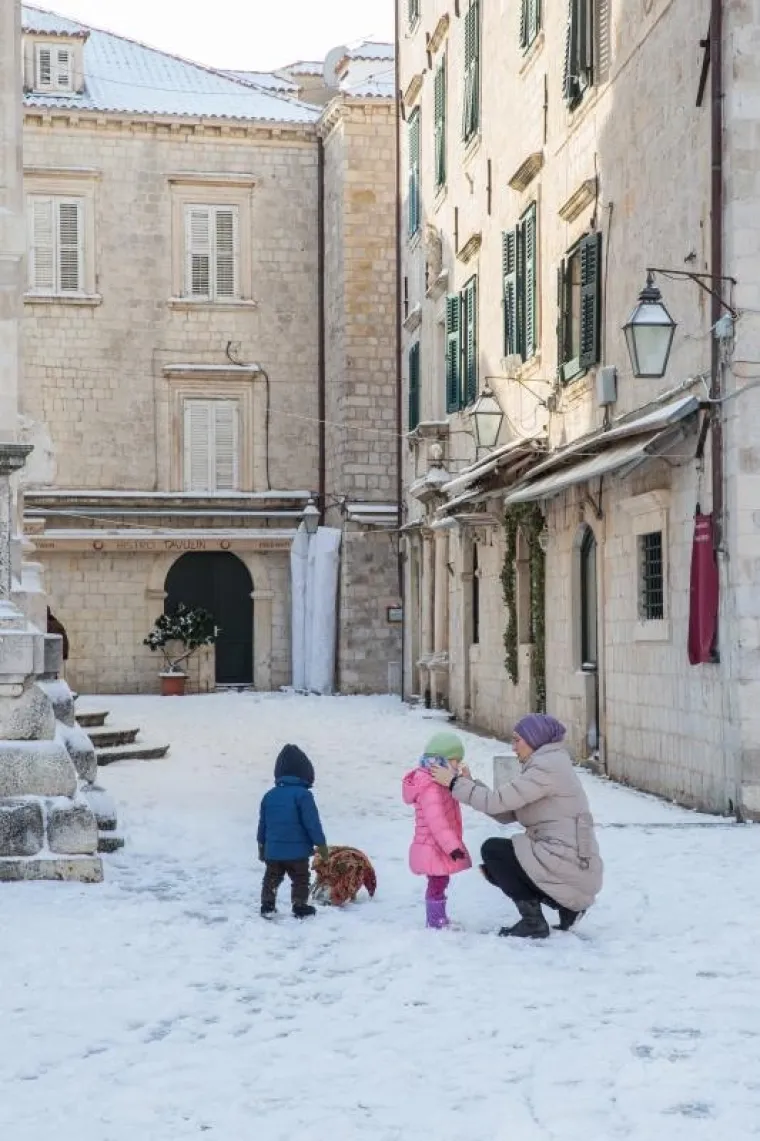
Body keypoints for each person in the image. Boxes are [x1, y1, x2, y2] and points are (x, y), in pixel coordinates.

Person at [429, 715, 603, 940]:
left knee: (495, 852)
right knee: (498, 863)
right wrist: (469, 784)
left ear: (533, 740)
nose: (513, 747)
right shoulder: (549, 764)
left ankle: (533, 922)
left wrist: (453, 783)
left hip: (569, 866)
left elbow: (495, 802)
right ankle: (568, 909)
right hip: (573, 867)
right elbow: (507, 812)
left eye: (517, 740)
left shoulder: (545, 769)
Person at [402, 731, 472, 929]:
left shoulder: (438, 782)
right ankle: (435, 920)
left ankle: (438, 918)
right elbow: (437, 821)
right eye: (456, 761)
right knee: (438, 883)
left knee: (440, 881)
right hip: (433, 845)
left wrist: (464, 781)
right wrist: (453, 847)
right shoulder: (431, 787)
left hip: (436, 844)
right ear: (443, 761)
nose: (458, 766)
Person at [257, 744, 328, 920]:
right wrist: (321, 844)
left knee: (271, 878)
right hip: (297, 853)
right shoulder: (303, 795)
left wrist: (261, 846)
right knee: (300, 879)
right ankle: (300, 905)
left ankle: (267, 905)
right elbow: (312, 823)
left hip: (273, 851)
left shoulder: (269, 795)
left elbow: (263, 824)